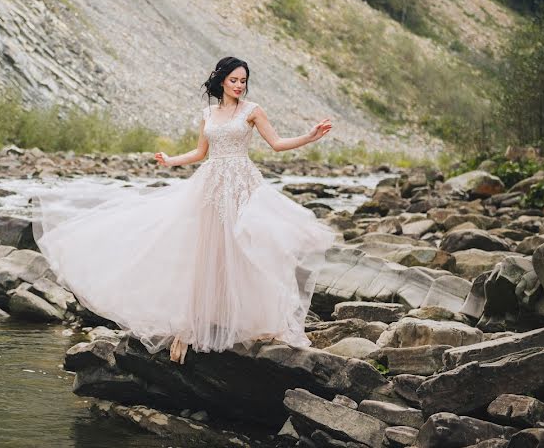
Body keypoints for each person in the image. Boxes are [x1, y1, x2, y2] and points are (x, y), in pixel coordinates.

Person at [33, 57, 336, 364]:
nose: (240, 86)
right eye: (234, 80)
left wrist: (309, 136)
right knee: (207, 252)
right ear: (221, 81)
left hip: (242, 185)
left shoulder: (252, 110)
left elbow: (277, 143)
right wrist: (171, 160)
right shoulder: (209, 113)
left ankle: (246, 319)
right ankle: (204, 318)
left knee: (242, 249)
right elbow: (201, 152)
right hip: (210, 184)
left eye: (243, 80)